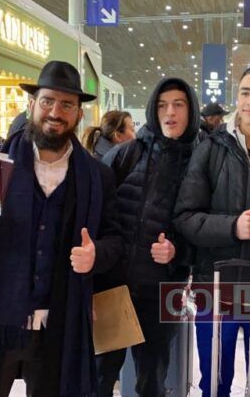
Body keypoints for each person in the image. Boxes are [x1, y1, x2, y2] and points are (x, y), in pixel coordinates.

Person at [0, 60, 123, 396]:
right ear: (32, 104)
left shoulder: (97, 176)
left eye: (67, 104)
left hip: (59, 325)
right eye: (48, 101)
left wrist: (96, 254)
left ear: (79, 114)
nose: (55, 112)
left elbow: (115, 239)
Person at [174, 63, 250, 397]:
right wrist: (232, 227)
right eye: (245, 92)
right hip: (216, 288)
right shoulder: (211, 149)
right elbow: (185, 216)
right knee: (214, 383)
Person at [95, 78, 200, 397]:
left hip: (164, 290)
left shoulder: (201, 162)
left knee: (152, 380)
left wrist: (178, 251)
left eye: (178, 105)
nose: (170, 112)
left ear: (191, 110)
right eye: (162, 105)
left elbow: (205, 226)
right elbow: (98, 215)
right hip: (115, 284)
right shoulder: (126, 154)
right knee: (100, 376)